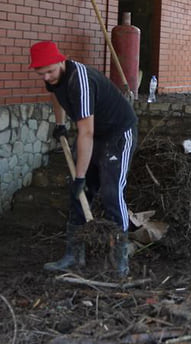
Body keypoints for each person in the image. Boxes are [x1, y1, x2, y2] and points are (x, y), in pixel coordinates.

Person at [30, 41, 137, 277]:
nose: (47, 77)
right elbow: (55, 96)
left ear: (61, 60)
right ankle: (73, 256)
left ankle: (119, 260)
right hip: (95, 133)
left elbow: (85, 132)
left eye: (50, 71)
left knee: (111, 191)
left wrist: (80, 175)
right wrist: (59, 124)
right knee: (78, 193)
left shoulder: (80, 81)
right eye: (42, 73)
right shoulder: (55, 78)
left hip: (118, 133)